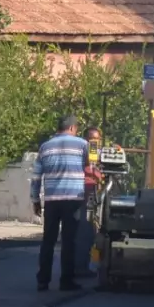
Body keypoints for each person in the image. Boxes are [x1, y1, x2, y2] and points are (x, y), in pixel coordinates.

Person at [32, 115, 88, 291]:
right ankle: (66, 281)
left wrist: (35, 199)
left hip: (51, 201)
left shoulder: (44, 147)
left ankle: (43, 280)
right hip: (73, 199)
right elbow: (91, 166)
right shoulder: (82, 145)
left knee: (48, 240)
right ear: (72, 128)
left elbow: (36, 177)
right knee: (69, 241)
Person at [76, 126, 103, 277]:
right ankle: (80, 267)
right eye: (91, 139)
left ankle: (83, 265)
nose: (94, 142)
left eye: (97, 139)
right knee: (85, 229)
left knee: (90, 229)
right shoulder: (83, 152)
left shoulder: (96, 154)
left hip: (92, 191)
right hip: (85, 191)